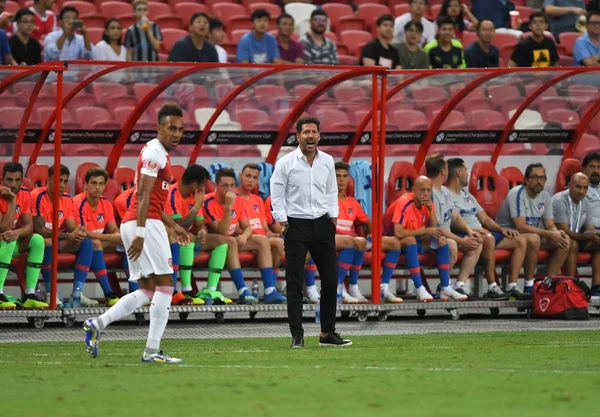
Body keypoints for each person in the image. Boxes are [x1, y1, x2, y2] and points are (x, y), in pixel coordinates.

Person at [84, 103, 191, 363]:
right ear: (159, 128)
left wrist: (174, 225)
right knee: (166, 286)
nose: (176, 134)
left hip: (144, 222)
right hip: (144, 224)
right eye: (171, 128)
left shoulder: (160, 152)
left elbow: (152, 199)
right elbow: (141, 194)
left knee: (150, 290)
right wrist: (142, 233)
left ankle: (97, 324)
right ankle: (152, 352)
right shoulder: (154, 152)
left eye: (180, 129)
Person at [271, 115, 352, 348]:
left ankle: (327, 333)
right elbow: (277, 195)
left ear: (319, 136)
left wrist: (333, 220)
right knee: (295, 282)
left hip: (323, 224)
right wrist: (284, 224)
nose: (310, 136)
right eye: (306, 132)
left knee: (330, 279)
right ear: (298, 136)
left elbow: (330, 192)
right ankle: (297, 335)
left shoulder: (327, 161)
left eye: (314, 132)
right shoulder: (286, 163)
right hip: (296, 225)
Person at [446, 158, 532, 301]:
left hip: (481, 232)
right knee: (488, 238)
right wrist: (472, 230)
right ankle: (493, 286)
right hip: (464, 234)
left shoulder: (468, 196)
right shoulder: (445, 194)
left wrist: (501, 230)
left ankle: (512, 286)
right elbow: (451, 220)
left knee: (520, 240)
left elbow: (484, 218)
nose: (468, 175)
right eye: (466, 171)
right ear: (458, 173)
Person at [204, 168, 285, 304]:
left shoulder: (239, 200)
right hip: (216, 243)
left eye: (231, 185)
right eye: (225, 186)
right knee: (229, 240)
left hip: (234, 240)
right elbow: (222, 232)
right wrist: (228, 207)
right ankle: (243, 291)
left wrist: (245, 236)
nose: (229, 189)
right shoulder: (208, 201)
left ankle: (270, 291)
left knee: (262, 240)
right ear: (216, 185)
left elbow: (247, 227)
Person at [383, 176, 467, 302]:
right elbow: (398, 232)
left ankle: (445, 287)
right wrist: (424, 231)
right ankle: (419, 288)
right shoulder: (404, 202)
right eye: (422, 190)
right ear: (414, 189)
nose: (426, 194)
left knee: (441, 241)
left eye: (428, 190)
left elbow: (435, 230)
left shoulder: (429, 204)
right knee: (411, 239)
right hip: (392, 240)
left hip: (415, 238)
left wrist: (430, 211)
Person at [495, 163, 571, 297]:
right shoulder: (517, 193)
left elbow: (549, 224)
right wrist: (549, 233)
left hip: (531, 236)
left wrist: (556, 233)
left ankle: (547, 284)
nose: (539, 182)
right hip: (509, 234)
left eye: (542, 178)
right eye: (535, 178)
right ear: (526, 180)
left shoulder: (545, 196)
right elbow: (521, 226)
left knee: (565, 241)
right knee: (535, 238)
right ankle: (528, 285)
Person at [31, 164, 97, 308]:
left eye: (65, 181)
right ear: (48, 180)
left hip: (59, 240)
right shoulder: (38, 195)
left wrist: (78, 232)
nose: (62, 185)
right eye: (58, 180)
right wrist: (68, 236)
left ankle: (77, 294)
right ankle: (50, 293)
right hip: (37, 243)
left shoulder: (66, 199)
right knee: (47, 241)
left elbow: (72, 226)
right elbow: (39, 229)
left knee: (86, 243)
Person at [166, 163, 227, 305]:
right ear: (195, 185)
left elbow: (200, 225)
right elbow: (179, 227)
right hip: (171, 238)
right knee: (186, 237)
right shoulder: (172, 194)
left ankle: (211, 289)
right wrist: (196, 207)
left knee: (223, 240)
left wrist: (202, 232)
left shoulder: (195, 195)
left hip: (189, 237)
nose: (204, 189)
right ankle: (187, 290)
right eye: (203, 184)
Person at [426, 154, 482, 297]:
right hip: (428, 238)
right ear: (443, 172)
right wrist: (462, 241)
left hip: (445, 236)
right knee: (451, 244)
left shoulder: (444, 191)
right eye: (446, 166)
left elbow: (455, 215)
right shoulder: (429, 192)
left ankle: (458, 285)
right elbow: (437, 229)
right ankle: (445, 285)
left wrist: (469, 232)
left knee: (476, 242)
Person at [0, 162, 47, 310]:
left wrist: (18, 232)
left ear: (22, 180)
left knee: (38, 240)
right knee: (9, 240)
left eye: (17, 180)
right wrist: (12, 200)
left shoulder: (25, 193)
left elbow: (29, 226)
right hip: (3, 242)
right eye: (9, 180)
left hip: (5, 244)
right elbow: (3, 227)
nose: (13, 184)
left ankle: (29, 295)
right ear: (2, 180)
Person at [72, 168, 122, 308]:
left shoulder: (106, 203)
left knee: (129, 244)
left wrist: (117, 235)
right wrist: (112, 237)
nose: (97, 187)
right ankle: (108, 293)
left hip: (99, 242)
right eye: (94, 183)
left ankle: (138, 292)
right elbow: (83, 232)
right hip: (77, 243)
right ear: (86, 185)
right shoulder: (78, 202)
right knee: (94, 243)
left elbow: (113, 228)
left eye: (101, 184)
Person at [236, 164, 285, 302]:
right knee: (263, 241)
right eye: (248, 176)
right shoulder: (233, 196)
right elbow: (235, 227)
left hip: (261, 239)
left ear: (258, 181)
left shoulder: (257, 199)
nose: (250, 180)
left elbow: (265, 229)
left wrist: (274, 235)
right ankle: (270, 290)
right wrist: (256, 237)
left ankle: (271, 289)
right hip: (242, 239)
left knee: (278, 243)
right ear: (240, 176)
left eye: (254, 178)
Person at [552, 172, 600, 286]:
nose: (581, 191)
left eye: (585, 188)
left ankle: (596, 286)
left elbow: (590, 229)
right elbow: (564, 230)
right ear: (569, 185)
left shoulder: (585, 202)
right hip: (555, 238)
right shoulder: (560, 200)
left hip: (576, 237)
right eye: (578, 187)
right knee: (572, 243)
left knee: (599, 244)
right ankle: (571, 284)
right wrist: (587, 236)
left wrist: (596, 235)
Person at [581, 153, 600, 299]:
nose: (596, 170)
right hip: (584, 233)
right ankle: (596, 288)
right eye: (592, 167)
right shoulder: (578, 189)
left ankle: (596, 287)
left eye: (599, 167)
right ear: (584, 169)